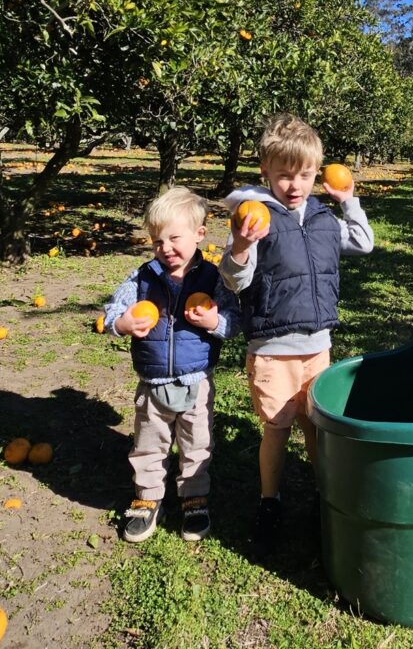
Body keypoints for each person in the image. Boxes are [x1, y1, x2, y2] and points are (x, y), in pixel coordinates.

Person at [219, 114, 374, 555]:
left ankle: (323, 494)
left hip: (317, 347)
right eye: (284, 175)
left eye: (305, 175)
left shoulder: (325, 219)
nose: (295, 185)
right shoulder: (255, 217)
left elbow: (363, 243)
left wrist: (348, 200)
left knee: (315, 426)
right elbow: (235, 280)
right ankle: (270, 500)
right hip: (272, 348)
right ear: (265, 171)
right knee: (276, 428)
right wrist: (242, 247)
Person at [102, 185, 239, 543]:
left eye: (174, 239)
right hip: (152, 381)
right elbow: (112, 312)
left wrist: (214, 323)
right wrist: (122, 324)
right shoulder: (143, 277)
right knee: (148, 442)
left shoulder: (212, 278)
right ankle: (147, 498)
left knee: (197, 443)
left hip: (197, 380)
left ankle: (194, 497)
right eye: (157, 241)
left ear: (199, 234)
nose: (166, 249)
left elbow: (233, 319)